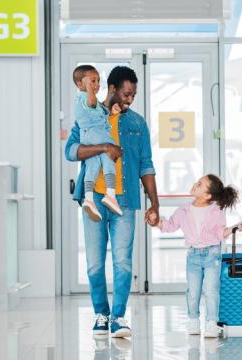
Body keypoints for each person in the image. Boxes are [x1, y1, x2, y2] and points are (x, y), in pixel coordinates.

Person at [65, 66, 160, 339]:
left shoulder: (137, 124)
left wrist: (154, 203)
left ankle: (118, 317)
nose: (130, 100)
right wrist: (104, 148)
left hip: (125, 200)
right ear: (112, 88)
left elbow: (146, 165)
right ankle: (101, 314)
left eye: (133, 95)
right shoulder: (88, 114)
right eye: (127, 94)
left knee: (123, 263)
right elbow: (71, 151)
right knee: (94, 263)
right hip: (93, 199)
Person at [152, 174, 242, 338]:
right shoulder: (183, 210)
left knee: (211, 290)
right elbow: (170, 226)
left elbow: (219, 233)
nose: (196, 183)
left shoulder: (216, 211)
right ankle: (194, 321)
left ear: (208, 195)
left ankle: (211, 323)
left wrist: (234, 228)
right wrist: (157, 221)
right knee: (193, 292)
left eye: (200, 184)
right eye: (198, 181)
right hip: (193, 256)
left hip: (213, 255)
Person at [72, 64, 122, 220]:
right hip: (96, 134)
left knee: (92, 166)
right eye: (92, 81)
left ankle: (89, 198)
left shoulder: (88, 98)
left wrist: (110, 112)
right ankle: (111, 194)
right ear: (80, 84)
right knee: (110, 156)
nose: (97, 84)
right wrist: (89, 88)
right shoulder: (83, 96)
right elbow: (92, 103)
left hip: (89, 137)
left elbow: (98, 111)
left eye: (98, 81)